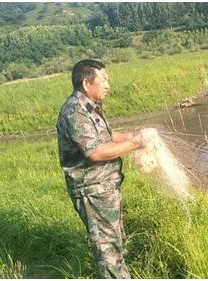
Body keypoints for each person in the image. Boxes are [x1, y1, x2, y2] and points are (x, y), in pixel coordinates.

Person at [56, 59, 144, 278]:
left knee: (116, 242)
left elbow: (107, 136)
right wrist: (134, 144)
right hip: (91, 191)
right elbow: (95, 152)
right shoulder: (75, 112)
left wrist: (133, 137)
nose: (108, 85)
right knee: (107, 250)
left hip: (104, 188)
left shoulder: (90, 106)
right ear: (87, 83)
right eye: (103, 80)